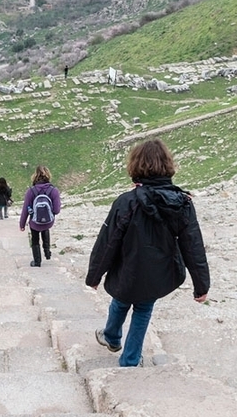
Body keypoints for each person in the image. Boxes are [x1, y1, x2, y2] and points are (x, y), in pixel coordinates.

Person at [86, 139, 209, 368]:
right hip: (158, 273)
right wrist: (201, 285)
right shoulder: (182, 203)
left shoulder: (126, 202)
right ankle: (130, 360)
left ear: (136, 166)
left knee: (121, 301)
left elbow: (108, 241)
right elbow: (193, 245)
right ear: (167, 165)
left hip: (127, 268)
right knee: (143, 310)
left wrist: (94, 276)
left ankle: (111, 336)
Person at [19, 165, 61, 267]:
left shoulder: (31, 191)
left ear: (35, 176)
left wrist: (22, 224)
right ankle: (47, 252)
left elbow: (25, 210)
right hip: (48, 222)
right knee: (45, 229)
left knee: (35, 238)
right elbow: (57, 210)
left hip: (34, 221)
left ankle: (37, 261)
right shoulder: (53, 191)